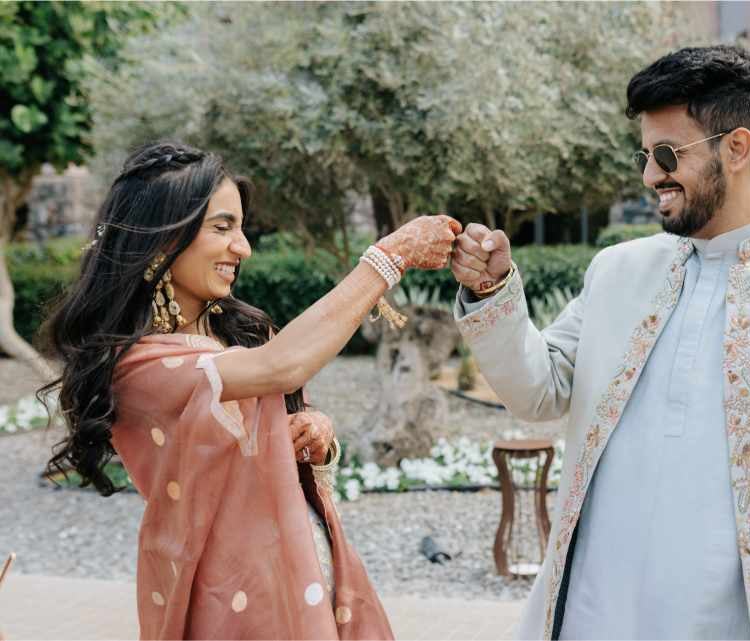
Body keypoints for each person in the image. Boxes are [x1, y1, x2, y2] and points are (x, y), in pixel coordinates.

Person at [450, 46, 750, 640]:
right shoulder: (617, 271)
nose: (650, 176)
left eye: (668, 155)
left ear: (736, 148)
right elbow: (538, 392)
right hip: (596, 617)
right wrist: (492, 293)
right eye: (644, 156)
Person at [39, 141, 460, 639]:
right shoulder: (140, 367)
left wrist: (314, 431)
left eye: (241, 228)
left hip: (307, 580)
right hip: (232, 606)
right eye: (222, 228)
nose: (243, 248)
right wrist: (389, 258)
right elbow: (281, 366)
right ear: (162, 239)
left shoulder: (237, 335)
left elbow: (276, 400)